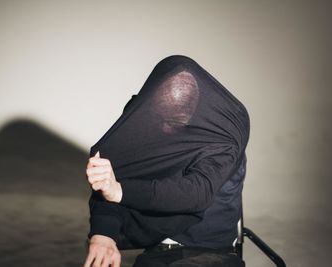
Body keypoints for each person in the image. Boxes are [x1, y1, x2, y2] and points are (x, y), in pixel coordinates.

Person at [83, 55, 250, 267]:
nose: (165, 129)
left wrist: (119, 191)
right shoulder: (144, 115)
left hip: (209, 249)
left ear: (195, 110)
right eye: (160, 119)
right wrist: (103, 234)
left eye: (175, 121)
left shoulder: (224, 131)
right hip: (156, 245)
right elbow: (116, 171)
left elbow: (198, 191)